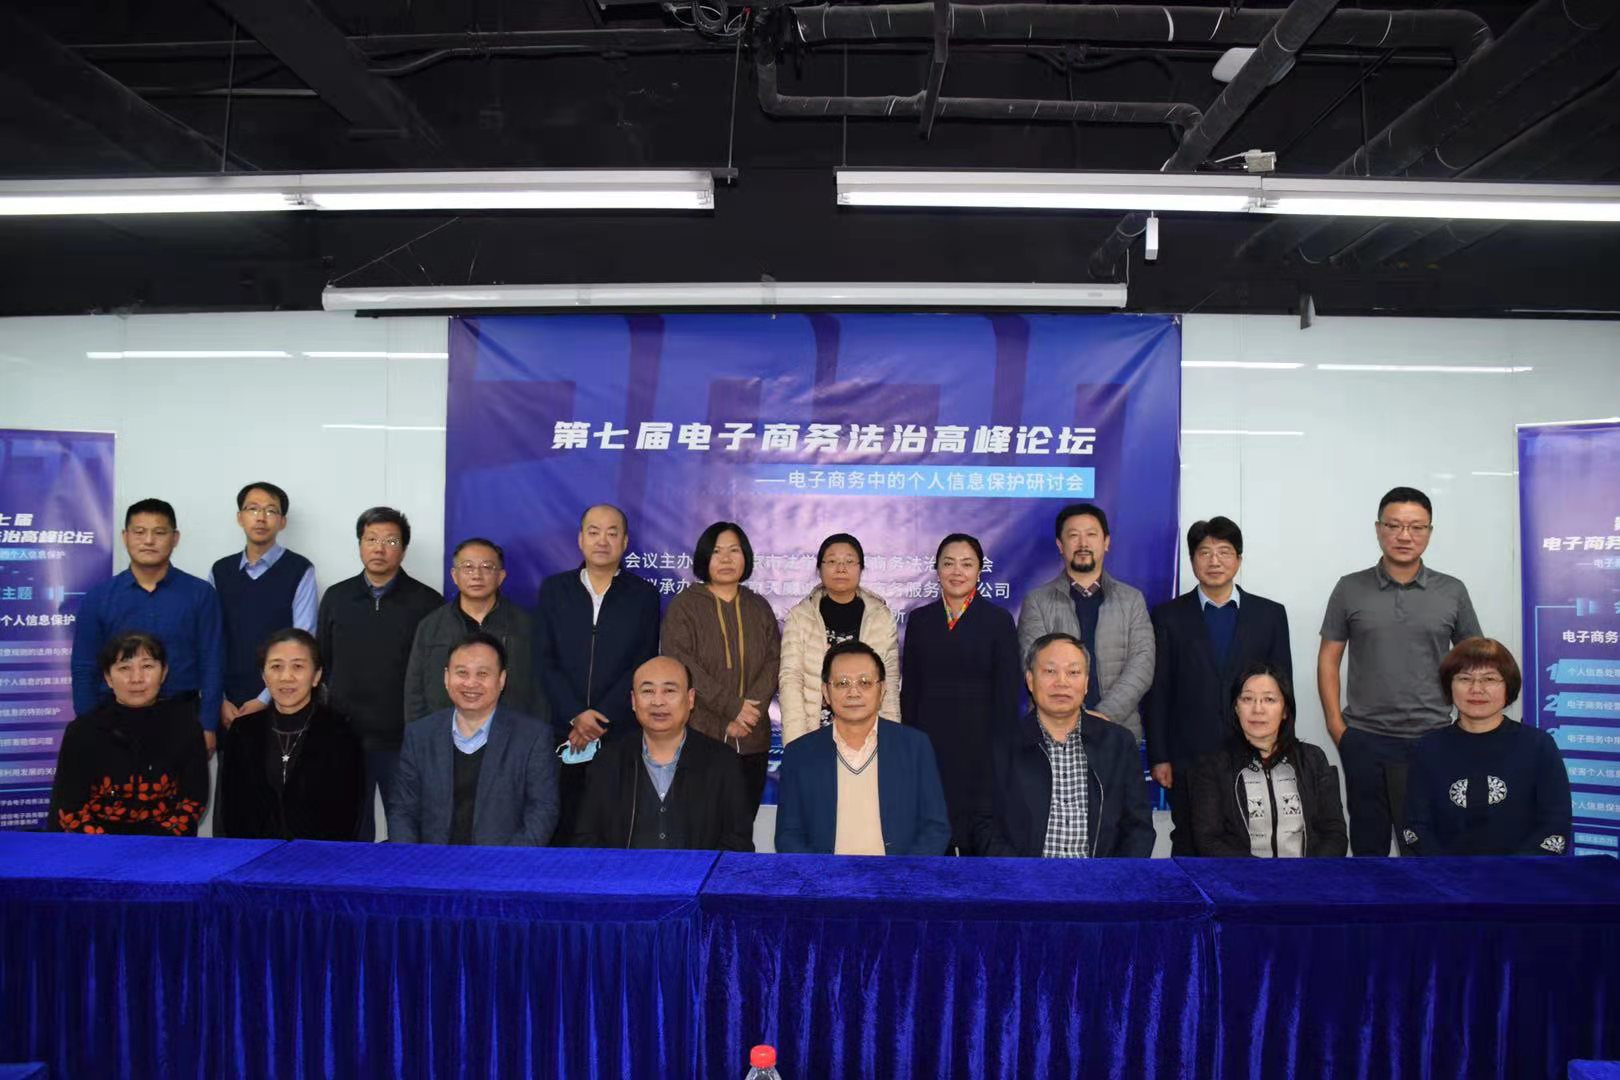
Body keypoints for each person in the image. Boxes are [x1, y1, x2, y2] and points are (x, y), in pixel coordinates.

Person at [1318, 486, 1482, 856]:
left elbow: (1474, 661)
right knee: (1369, 845)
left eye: (1416, 527)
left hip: (1434, 738)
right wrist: (1336, 726)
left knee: (1429, 846)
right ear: (1378, 529)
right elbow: (1329, 658)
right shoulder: (1349, 588)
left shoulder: (1452, 591)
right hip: (1365, 738)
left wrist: (1466, 723)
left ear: (1429, 532)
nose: (1404, 535)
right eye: (1394, 525)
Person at [1144, 517, 1292, 854]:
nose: (1214, 561)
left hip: (1254, 752)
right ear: (1192, 560)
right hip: (1188, 755)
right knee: (1189, 840)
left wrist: (1281, 748)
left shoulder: (1269, 615)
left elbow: (1283, 690)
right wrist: (1160, 756)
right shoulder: (1168, 616)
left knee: (1254, 839)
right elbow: (1159, 691)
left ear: (1239, 559)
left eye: (1224, 552)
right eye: (1205, 552)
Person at [533, 504, 660, 844]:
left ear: (625, 542)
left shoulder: (643, 596)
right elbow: (544, 660)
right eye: (594, 532)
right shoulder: (554, 590)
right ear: (580, 539)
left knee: (613, 830)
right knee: (562, 829)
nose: (602, 540)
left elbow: (642, 663)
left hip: (619, 732)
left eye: (612, 532)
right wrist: (576, 714)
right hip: (562, 732)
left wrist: (599, 717)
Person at [317, 506, 442, 841]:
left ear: (404, 549)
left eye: (390, 541)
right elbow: (323, 662)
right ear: (359, 544)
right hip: (346, 736)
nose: (379, 548)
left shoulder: (427, 602)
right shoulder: (336, 597)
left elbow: (433, 676)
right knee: (351, 832)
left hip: (403, 738)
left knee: (407, 831)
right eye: (371, 539)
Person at [972, 632, 1154, 858]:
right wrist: (1022, 874)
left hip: (1099, 878)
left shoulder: (1118, 744)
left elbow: (1139, 829)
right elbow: (984, 826)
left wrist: (1111, 876)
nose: (1062, 682)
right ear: (1030, 680)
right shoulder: (1001, 745)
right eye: (1050, 671)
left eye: (1073, 672)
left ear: (1086, 683)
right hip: (1024, 877)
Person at [69, 498, 224, 754]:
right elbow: (84, 667)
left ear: (175, 538)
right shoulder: (99, 598)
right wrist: (88, 726)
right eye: (139, 532)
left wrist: (207, 725)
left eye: (159, 532)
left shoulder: (200, 594)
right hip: (114, 720)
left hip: (181, 716)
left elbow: (212, 663)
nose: (149, 540)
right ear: (125, 537)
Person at [899, 532, 1021, 854]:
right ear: (937, 569)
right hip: (930, 754)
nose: (957, 571)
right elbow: (910, 693)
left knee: (977, 855)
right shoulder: (920, 621)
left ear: (980, 570)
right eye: (949, 563)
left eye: (967, 564)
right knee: (932, 850)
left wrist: (1001, 757)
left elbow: (1007, 697)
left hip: (981, 757)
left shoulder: (999, 621)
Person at [775, 640, 950, 856]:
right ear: (825, 692)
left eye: (865, 682)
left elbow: (935, 829)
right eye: (842, 683)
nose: (853, 692)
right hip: (827, 875)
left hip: (897, 874)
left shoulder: (915, 747)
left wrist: (901, 873)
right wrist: (823, 873)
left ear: (882, 690)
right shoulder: (799, 754)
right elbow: (788, 836)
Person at [387, 632, 559, 846]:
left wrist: (506, 860)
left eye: (482, 674)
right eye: (462, 673)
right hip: (432, 862)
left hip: (502, 862)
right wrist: (412, 858)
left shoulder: (532, 738)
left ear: (501, 679)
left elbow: (542, 811)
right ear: (446, 677)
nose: (471, 683)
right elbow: (402, 809)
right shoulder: (420, 735)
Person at [1403, 638, 1572, 856]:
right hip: (1445, 872)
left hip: (1521, 872)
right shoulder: (1428, 748)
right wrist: (1449, 870)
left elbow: (1555, 824)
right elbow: (1416, 826)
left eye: (1489, 679)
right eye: (1464, 678)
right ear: (1449, 686)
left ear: (1508, 686)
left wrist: (1508, 871)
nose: (1476, 689)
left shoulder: (1538, 745)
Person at [659, 521, 781, 816]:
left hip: (752, 738)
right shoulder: (685, 606)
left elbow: (774, 661)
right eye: (717, 552)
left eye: (734, 551)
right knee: (699, 826)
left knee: (742, 828)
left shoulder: (759, 607)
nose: (726, 559)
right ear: (705, 558)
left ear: (745, 556)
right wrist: (731, 708)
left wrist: (747, 714)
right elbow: (681, 664)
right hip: (701, 736)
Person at [572, 656, 755, 850]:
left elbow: (737, 845)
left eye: (669, 690)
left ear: (690, 699)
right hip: (624, 871)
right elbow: (586, 842)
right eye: (648, 691)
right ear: (633, 701)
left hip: (699, 871)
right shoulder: (608, 761)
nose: (658, 701)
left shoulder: (722, 762)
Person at [1015, 504, 1155, 741]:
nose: (1083, 543)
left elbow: (1143, 664)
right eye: (1073, 535)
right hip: (1053, 733)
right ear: (1060, 545)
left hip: (1118, 730)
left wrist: (1104, 714)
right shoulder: (1037, 601)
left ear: (1106, 542)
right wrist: (1073, 720)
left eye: (1091, 534)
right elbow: (1034, 665)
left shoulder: (1132, 600)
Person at [49, 631, 209, 836]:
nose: (136, 678)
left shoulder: (186, 727)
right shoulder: (82, 731)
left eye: (147, 666)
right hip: (98, 844)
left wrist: (154, 846)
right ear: (108, 677)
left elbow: (193, 801)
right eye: (124, 668)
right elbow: (69, 807)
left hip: (165, 843)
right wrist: (112, 848)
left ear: (164, 673)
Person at [1184, 663, 1348, 858]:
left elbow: (1334, 834)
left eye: (1269, 699)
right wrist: (1260, 872)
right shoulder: (1213, 766)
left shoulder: (1313, 759)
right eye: (1247, 699)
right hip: (1241, 875)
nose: (1258, 709)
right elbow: (1208, 840)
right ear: (1236, 708)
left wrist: (1308, 872)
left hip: (1306, 874)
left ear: (1285, 710)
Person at [216, 628, 364, 841]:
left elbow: (348, 814)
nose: (286, 677)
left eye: (298, 666)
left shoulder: (341, 732)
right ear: (264, 676)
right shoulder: (242, 731)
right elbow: (231, 809)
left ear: (316, 676)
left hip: (319, 855)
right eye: (276, 666)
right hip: (254, 854)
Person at [208, 481, 316, 732]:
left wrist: (264, 698)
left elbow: (303, 640)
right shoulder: (220, 571)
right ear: (240, 517)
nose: (261, 517)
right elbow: (211, 638)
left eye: (271, 510)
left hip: (282, 698)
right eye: (253, 509)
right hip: (227, 702)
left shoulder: (300, 569)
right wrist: (219, 698)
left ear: (282, 521)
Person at [405, 538, 545, 724]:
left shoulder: (526, 625)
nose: (477, 575)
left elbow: (540, 692)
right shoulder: (431, 625)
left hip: (512, 733)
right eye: (468, 567)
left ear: (501, 576)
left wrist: (535, 736)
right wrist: (420, 735)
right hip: (443, 733)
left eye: (487, 567)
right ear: (454, 575)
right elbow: (415, 691)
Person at [779, 533, 900, 745]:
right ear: (820, 569)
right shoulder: (801, 616)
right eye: (832, 561)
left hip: (868, 735)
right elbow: (791, 679)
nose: (841, 568)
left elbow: (888, 680)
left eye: (849, 561)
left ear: (861, 568)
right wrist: (796, 743)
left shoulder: (880, 616)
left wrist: (890, 740)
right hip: (815, 732)